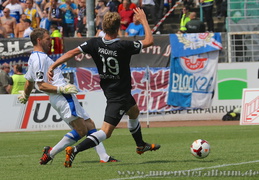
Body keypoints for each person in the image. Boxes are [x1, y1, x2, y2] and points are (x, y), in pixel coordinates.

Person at [47, 8, 160, 168]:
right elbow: (149, 41)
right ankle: (75, 150)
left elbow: (72, 52)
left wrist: (53, 65)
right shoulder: (123, 45)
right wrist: (144, 21)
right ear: (118, 27)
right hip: (119, 94)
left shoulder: (95, 43)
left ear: (103, 26)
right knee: (106, 131)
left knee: (134, 112)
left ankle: (140, 145)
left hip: (113, 90)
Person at [18, 28, 118, 165]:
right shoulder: (39, 59)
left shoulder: (34, 57)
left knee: (89, 124)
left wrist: (25, 95)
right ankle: (51, 153)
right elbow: (40, 85)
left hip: (62, 95)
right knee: (81, 130)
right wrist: (62, 88)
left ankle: (104, 156)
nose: (50, 42)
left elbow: (29, 81)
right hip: (62, 96)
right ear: (39, 40)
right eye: (48, 39)